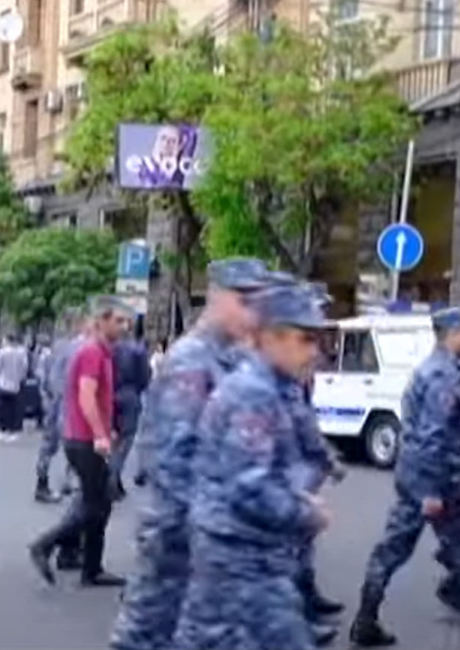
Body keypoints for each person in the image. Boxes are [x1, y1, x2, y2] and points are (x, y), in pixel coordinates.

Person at [111, 259, 271, 650]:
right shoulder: (192, 359)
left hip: (211, 533)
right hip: (178, 535)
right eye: (244, 299)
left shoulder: (234, 358)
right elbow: (174, 462)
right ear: (216, 298)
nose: (255, 312)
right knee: (145, 635)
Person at [172, 282, 332, 650]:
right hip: (241, 556)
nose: (315, 352)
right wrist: (306, 511)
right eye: (305, 339)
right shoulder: (254, 393)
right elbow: (250, 486)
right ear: (272, 337)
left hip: (236, 551)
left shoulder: (271, 387)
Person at [348, 308, 460, 647]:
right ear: (453, 332)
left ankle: (365, 619)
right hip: (434, 478)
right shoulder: (442, 376)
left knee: (400, 547)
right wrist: (431, 491)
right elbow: (434, 435)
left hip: (421, 474)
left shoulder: (444, 370)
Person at [28, 296, 134, 588]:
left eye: (126, 321)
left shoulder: (102, 352)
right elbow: (87, 396)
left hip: (85, 437)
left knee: (99, 503)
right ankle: (47, 545)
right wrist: (100, 434)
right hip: (84, 439)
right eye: (118, 321)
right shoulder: (91, 353)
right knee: (95, 504)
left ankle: (91, 567)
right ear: (101, 321)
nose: (124, 327)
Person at [35, 310, 86, 504]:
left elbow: (46, 376)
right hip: (70, 401)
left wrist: (47, 396)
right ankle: (70, 480)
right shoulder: (80, 347)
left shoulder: (57, 347)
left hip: (54, 399)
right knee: (75, 442)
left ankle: (42, 481)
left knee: (49, 444)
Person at [109, 330, 150, 501]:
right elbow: (145, 377)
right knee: (126, 440)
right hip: (130, 396)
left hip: (112, 395)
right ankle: (112, 479)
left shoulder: (111, 349)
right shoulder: (138, 351)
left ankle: (114, 479)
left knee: (114, 439)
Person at [0, 332, 30, 441]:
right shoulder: (21, 353)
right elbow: (24, 368)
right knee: (12, 408)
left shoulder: (2, 352)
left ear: (7, 341)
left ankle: (3, 429)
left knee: (3, 408)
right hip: (15, 385)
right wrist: (20, 379)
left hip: (2, 384)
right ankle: (12, 430)